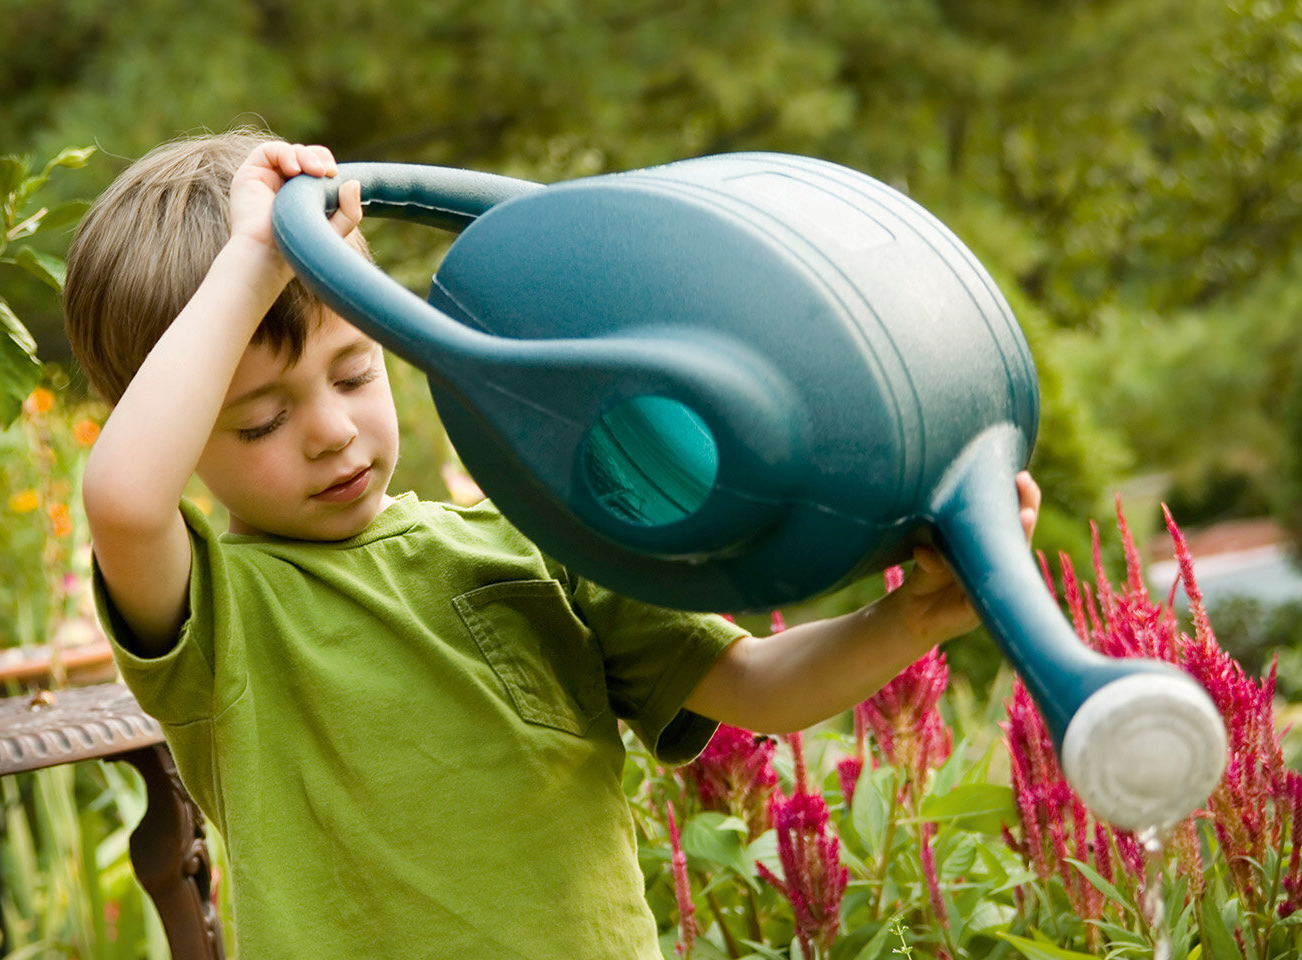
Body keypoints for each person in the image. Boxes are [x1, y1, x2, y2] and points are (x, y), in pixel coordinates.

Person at [64, 130, 1041, 959]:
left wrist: (909, 620)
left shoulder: (533, 538)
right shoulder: (215, 618)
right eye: (260, 421)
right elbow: (124, 502)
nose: (329, 430)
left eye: (356, 372)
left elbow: (756, 685)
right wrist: (254, 261)